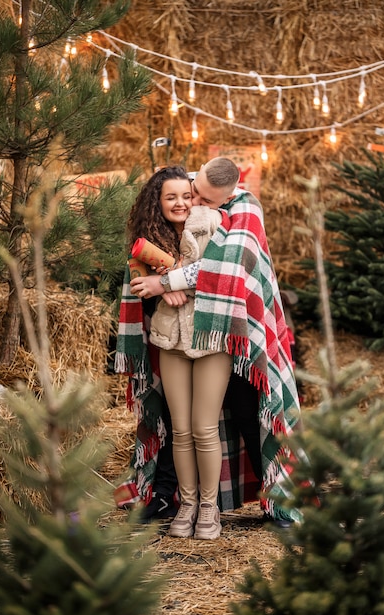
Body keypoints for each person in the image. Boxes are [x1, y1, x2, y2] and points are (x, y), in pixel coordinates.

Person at [114, 157, 302, 529]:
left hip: (231, 332)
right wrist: (149, 281)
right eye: (190, 191)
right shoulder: (171, 202)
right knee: (174, 422)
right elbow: (136, 260)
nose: (193, 201)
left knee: (248, 412)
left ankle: (274, 500)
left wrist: (166, 282)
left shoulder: (240, 210)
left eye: (202, 197)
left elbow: (226, 266)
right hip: (173, 337)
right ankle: (170, 496)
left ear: (227, 197)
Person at [116, 165, 233, 540]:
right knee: (180, 430)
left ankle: (210, 509)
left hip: (210, 337)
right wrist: (158, 288)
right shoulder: (149, 240)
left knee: (204, 428)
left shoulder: (212, 223)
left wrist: (164, 281)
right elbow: (137, 282)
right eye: (171, 197)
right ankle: (186, 504)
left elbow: (218, 272)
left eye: (187, 195)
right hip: (169, 339)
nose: (181, 203)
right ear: (159, 201)